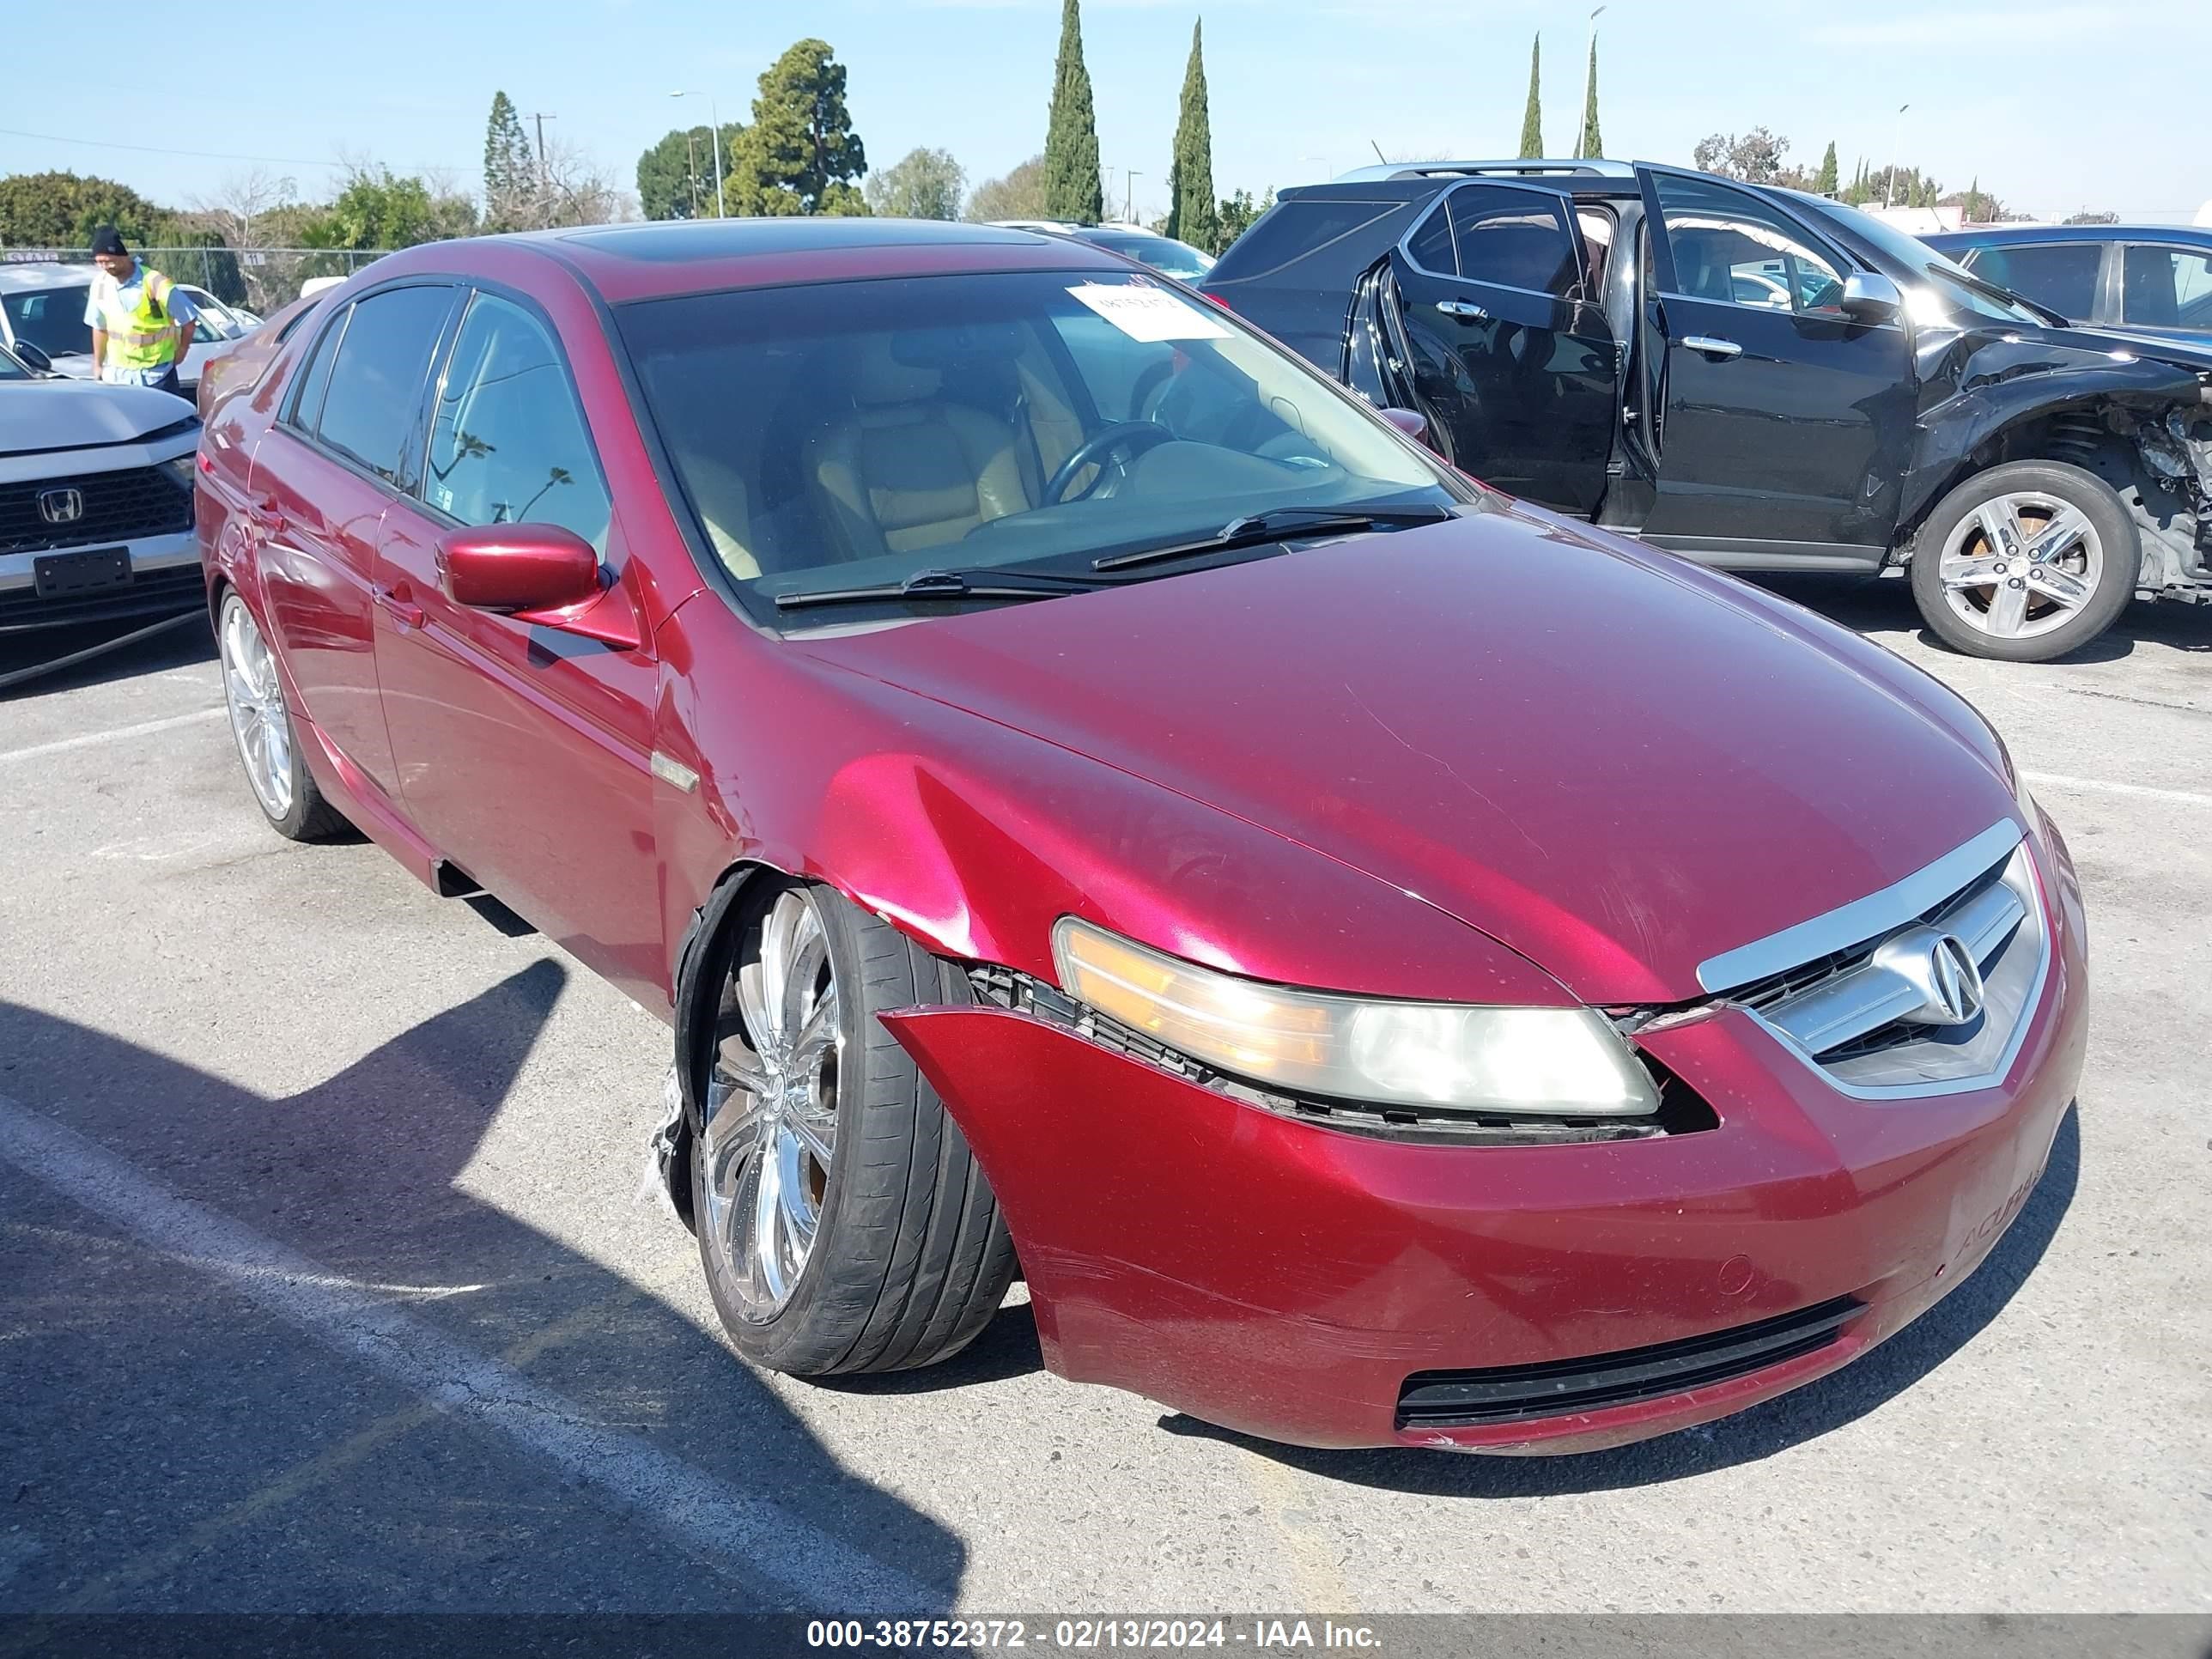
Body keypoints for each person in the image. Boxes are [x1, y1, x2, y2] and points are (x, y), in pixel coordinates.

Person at [83, 227, 198, 399]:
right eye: (99, 262)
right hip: (118, 377)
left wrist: (181, 352)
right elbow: (99, 327)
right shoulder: (100, 285)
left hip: (157, 375)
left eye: (108, 261)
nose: (104, 267)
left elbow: (189, 319)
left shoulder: (155, 282)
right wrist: (97, 365)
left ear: (123, 256)